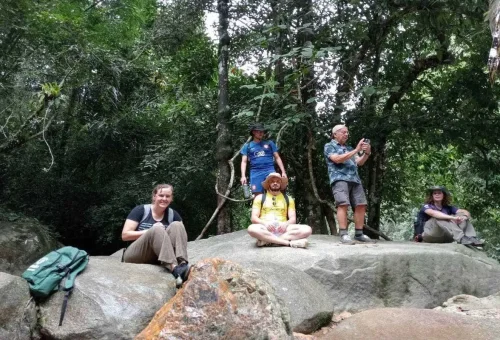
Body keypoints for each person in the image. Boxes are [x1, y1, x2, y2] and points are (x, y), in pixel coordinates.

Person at [121, 184, 191, 286]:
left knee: (178, 225)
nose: (164, 199)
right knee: (157, 228)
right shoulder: (141, 210)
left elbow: (180, 237)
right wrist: (150, 230)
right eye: (161, 195)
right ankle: (174, 269)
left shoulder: (173, 215)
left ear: (171, 198)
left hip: (159, 255)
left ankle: (182, 265)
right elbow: (125, 235)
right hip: (137, 254)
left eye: (167, 196)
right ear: (154, 196)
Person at [324, 124, 373, 244]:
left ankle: (359, 233)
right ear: (335, 134)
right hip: (339, 179)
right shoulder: (329, 146)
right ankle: (344, 234)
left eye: (347, 132)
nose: (346, 134)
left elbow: (359, 162)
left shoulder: (349, 148)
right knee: (343, 204)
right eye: (343, 132)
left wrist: (366, 153)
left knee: (361, 205)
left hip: (355, 179)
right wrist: (356, 150)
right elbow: (337, 159)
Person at [247, 172, 312, 248]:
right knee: (252, 229)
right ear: (268, 184)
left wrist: (285, 224)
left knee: (307, 229)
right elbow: (254, 218)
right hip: (265, 228)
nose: (275, 183)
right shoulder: (259, 198)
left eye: (278, 181)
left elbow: (293, 219)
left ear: (281, 184)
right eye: (272, 181)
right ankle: (288, 243)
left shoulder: (288, 199)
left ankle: (268, 241)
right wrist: (265, 224)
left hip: (283, 229)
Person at [416, 186, 483, 246]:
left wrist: (464, 217)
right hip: (429, 234)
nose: (437, 195)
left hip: (446, 236)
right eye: (435, 193)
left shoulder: (448, 208)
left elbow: (465, 212)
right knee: (440, 217)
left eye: (439, 193)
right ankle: (461, 238)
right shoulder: (426, 206)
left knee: (462, 215)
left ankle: (471, 237)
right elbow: (433, 213)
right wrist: (452, 218)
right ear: (432, 196)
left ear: (443, 195)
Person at [240, 122, 287, 195]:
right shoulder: (248, 146)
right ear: (253, 132)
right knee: (257, 195)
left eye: (262, 131)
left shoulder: (269, 143)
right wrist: (243, 176)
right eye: (259, 131)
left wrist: (283, 172)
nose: (261, 133)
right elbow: (244, 162)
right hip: (255, 172)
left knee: (274, 191)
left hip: (269, 170)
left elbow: (277, 157)